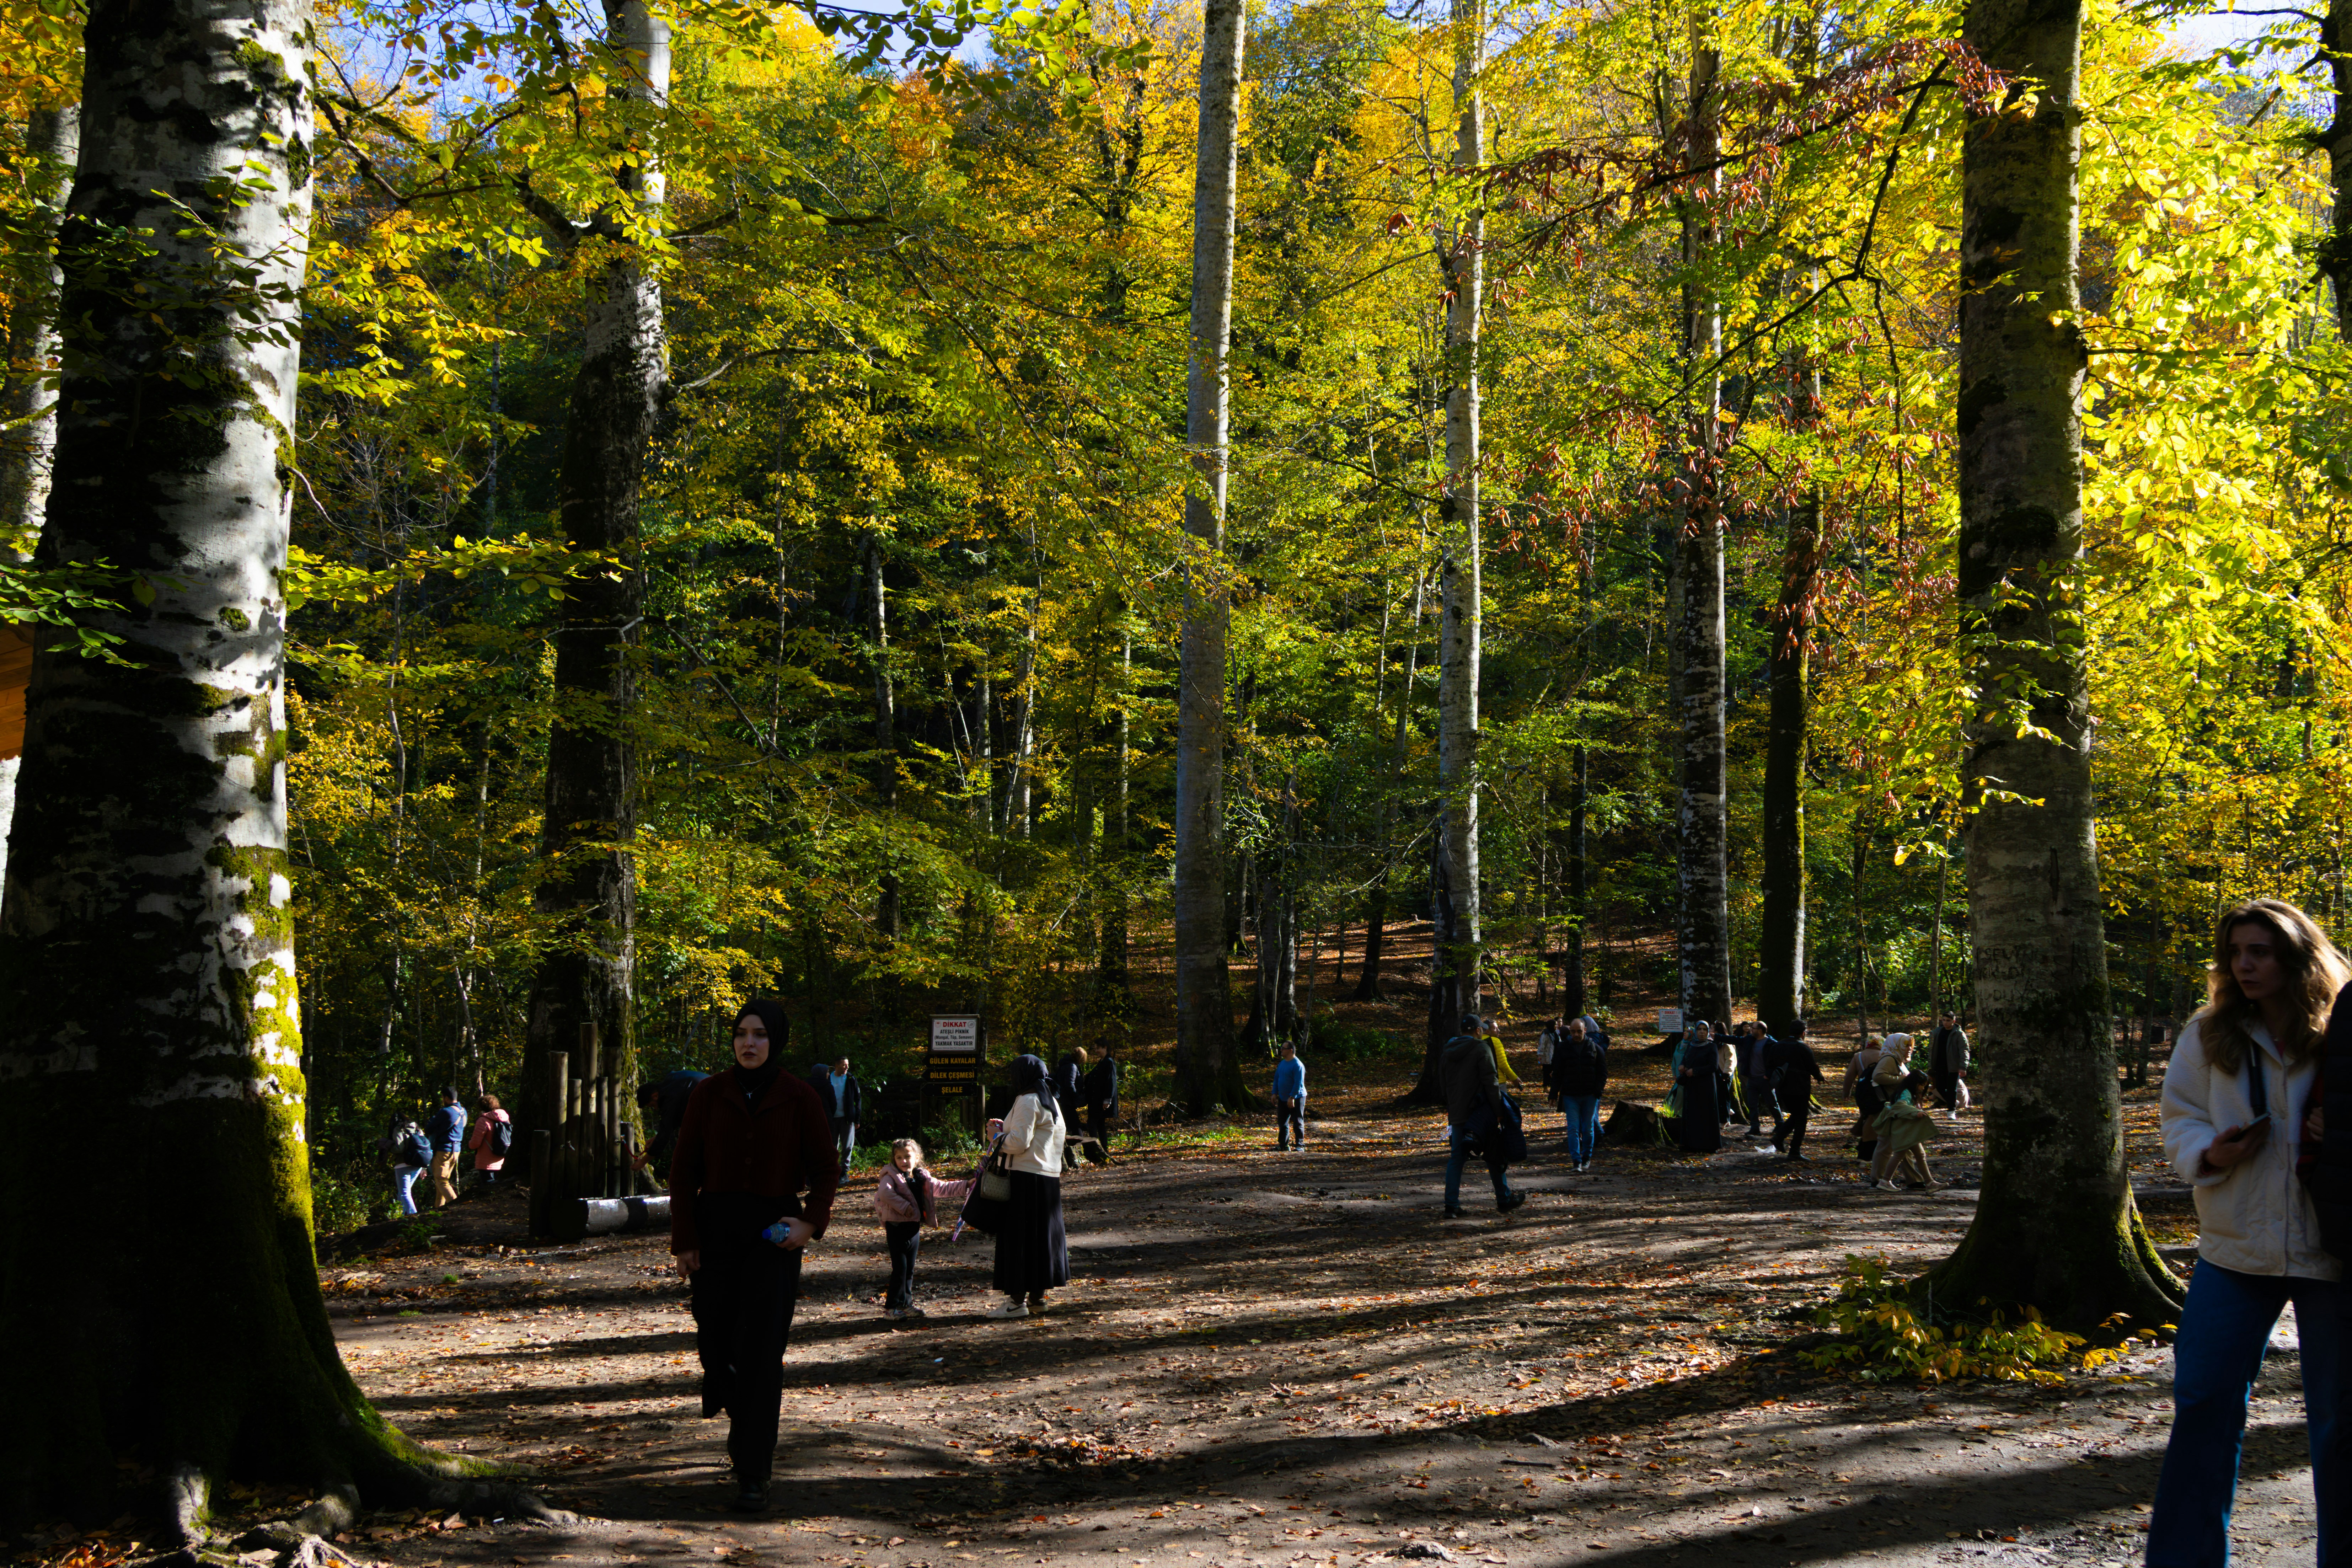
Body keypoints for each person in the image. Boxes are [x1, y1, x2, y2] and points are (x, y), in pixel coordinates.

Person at [2148, 897, 2350, 1568]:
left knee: (2338, 1422)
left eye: (2259, 952)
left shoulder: (2344, 1029)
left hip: (2333, 1250)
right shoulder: (2208, 1032)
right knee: (2203, 1402)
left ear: (2296, 957)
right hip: (2234, 1249)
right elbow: (2177, 1118)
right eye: (2235, 952)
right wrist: (2210, 1151)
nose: (2243, 965)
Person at [670, 996, 839, 1512]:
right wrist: (685, 1238)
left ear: (777, 1040)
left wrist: (810, 1222)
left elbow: (827, 1169)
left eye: (761, 1033)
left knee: (763, 1354)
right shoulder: (708, 1092)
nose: (750, 1042)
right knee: (716, 1345)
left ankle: (753, 1469)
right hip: (715, 1232)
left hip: (774, 1235)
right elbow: (684, 1170)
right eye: (743, 1032)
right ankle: (731, 1402)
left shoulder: (799, 1096)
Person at [989, 1054, 1071, 1318]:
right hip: (1048, 1180)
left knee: (1020, 1240)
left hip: (1025, 1179)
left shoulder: (1027, 1099)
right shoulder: (1052, 1101)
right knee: (1041, 1241)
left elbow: (1019, 1143)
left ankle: (1015, 1303)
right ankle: (1037, 1298)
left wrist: (996, 1136)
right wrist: (1007, 1131)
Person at [872, 1138, 974, 1322]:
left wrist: (966, 1185)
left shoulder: (921, 1177)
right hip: (896, 1227)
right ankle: (891, 1308)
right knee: (900, 1268)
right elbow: (885, 1193)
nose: (904, 1161)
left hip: (913, 1227)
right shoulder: (890, 1177)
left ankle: (907, 1304)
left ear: (917, 1157)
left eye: (908, 1156)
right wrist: (905, 1207)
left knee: (909, 1268)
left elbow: (942, 1188)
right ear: (894, 1160)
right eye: (899, 1158)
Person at [1442, 1012, 1526, 1217]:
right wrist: (1499, 1112)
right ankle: (1504, 1198)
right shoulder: (1482, 1048)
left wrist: (1451, 1107)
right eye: (1482, 1029)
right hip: (1481, 1114)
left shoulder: (1448, 1050)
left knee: (1457, 1157)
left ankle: (1451, 1205)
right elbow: (1491, 1082)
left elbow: (1443, 1084)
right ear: (1478, 1030)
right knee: (1494, 1152)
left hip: (1458, 1112)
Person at [1866, 1071, 1940, 1190]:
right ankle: (1885, 1181)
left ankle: (1929, 1182)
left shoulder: (1904, 1091)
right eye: (1922, 1085)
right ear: (1914, 1083)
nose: (1923, 1088)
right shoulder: (1906, 1093)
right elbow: (1901, 1105)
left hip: (1906, 1128)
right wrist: (1916, 1112)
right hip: (1902, 1128)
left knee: (1919, 1154)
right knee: (1899, 1154)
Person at [1552, 1015, 1608, 1172]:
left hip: (1590, 1096)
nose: (1576, 1034)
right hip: (1570, 1096)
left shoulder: (1595, 1048)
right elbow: (1557, 1072)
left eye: (1579, 1031)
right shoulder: (1563, 1048)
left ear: (1585, 1031)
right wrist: (1553, 1094)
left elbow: (1603, 1073)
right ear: (1570, 1031)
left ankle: (1586, 1158)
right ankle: (1576, 1161)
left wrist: (1598, 1091)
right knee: (1573, 1129)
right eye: (1573, 1031)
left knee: (1588, 1128)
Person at [634, 1068, 710, 1184]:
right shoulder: (672, 1082)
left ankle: (688, 1184)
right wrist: (656, 1139)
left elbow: (665, 1135)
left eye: (652, 1106)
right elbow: (675, 1120)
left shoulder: (670, 1097)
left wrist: (643, 1162)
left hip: (716, 1109)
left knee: (688, 1142)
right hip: (711, 1106)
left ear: (655, 1096)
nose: (655, 1109)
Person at [1765, 1018, 1827, 1161]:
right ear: (1803, 1033)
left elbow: (1769, 1064)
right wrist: (1820, 1077)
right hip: (1800, 1088)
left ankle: (1779, 1138)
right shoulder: (1803, 1048)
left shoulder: (1777, 1046)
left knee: (1797, 1116)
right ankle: (1794, 1150)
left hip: (1782, 1087)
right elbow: (1813, 1067)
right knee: (1801, 1119)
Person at [1673, 1021, 1723, 1154]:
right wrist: (1682, 1066)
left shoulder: (1711, 1047)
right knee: (1692, 1113)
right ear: (1695, 1031)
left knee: (1705, 1114)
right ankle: (1690, 1143)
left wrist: (1695, 1071)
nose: (1702, 1032)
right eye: (1699, 1029)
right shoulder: (1692, 1045)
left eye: (1705, 1030)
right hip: (1692, 1086)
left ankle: (1707, 1145)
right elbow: (1686, 1059)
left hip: (1706, 1086)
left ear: (1708, 1032)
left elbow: (1713, 1067)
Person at [1847, 1034, 1887, 1167]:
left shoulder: (1858, 1056)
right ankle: (1866, 1155)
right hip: (1880, 1094)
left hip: (1863, 1094)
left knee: (1866, 1119)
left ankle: (1863, 1150)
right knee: (1873, 1122)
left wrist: (1846, 1093)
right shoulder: (1885, 1056)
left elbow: (1849, 1077)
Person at [425, 1087, 467, 1208]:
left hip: (444, 1151)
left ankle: (459, 1207)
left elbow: (429, 1129)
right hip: (456, 1151)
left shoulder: (446, 1112)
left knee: (441, 1181)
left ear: (447, 1098)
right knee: (443, 1181)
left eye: (443, 1098)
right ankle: (439, 1209)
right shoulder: (463, 1111)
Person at [816, 1057, 861, 1166]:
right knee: (832, 1146)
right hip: (831, 1119)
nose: (847, 1067)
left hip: (847, 1118)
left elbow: (858, 1099)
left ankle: (845, 1171)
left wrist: (857, 1119)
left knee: (848, 1147)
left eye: (848, 1065)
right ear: (837, 1066)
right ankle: (832, 1169)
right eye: (844, 1065)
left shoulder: (851, 1079)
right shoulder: (828, 1078)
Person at [466, 1093, 511, 1190]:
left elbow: (475, 1144)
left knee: (488, 1187)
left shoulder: (483, 1120)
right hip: (502, 1159)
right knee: (498, 1187)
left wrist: (469, 1144)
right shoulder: (505, 1118)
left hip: (486, 1162)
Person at [1930, 1012, 1971, 1115]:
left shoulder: (1959, 1034)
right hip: (1939, 1065)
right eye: (1944, 1020)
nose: (1945, 1023)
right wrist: (1930, 1066)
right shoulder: (1938, 1032)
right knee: (1939, 1088)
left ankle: (1951, 1111)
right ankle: (1952, 1102)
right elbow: (1931, 1051)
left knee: (1952, 1089)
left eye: (1948, 1021)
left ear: (1954, 1021)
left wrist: (1963, 1067)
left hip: (1953, 1066)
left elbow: (1965, 1051)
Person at [389, 1118, 428, 1216]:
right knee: (403, 1192)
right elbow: (423, 1148)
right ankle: (398, 1216)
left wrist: (388, 1146)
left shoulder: (399, 1129)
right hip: (417, 1165)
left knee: (405, 1194)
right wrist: (424, 1168)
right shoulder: (418, 1129)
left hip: (403, 1165)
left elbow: (399, 1148)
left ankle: (415, 1217)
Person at [1273, 1040, 1307, 1151]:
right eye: (1281, 1048)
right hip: (1283, 1098)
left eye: (1283, 1048)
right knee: (1283, 1122)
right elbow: (1277, 1079)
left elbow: (1299, 1083)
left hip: (1297, 1098)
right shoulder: (1282, 1063)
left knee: (1298, 1121)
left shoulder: (1298, 1065)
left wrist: (1292, 1097)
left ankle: (1300, 1146)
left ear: (1291, 1050)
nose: (1281, 1050)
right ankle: (1284, 1145)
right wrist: (1274, 1093)